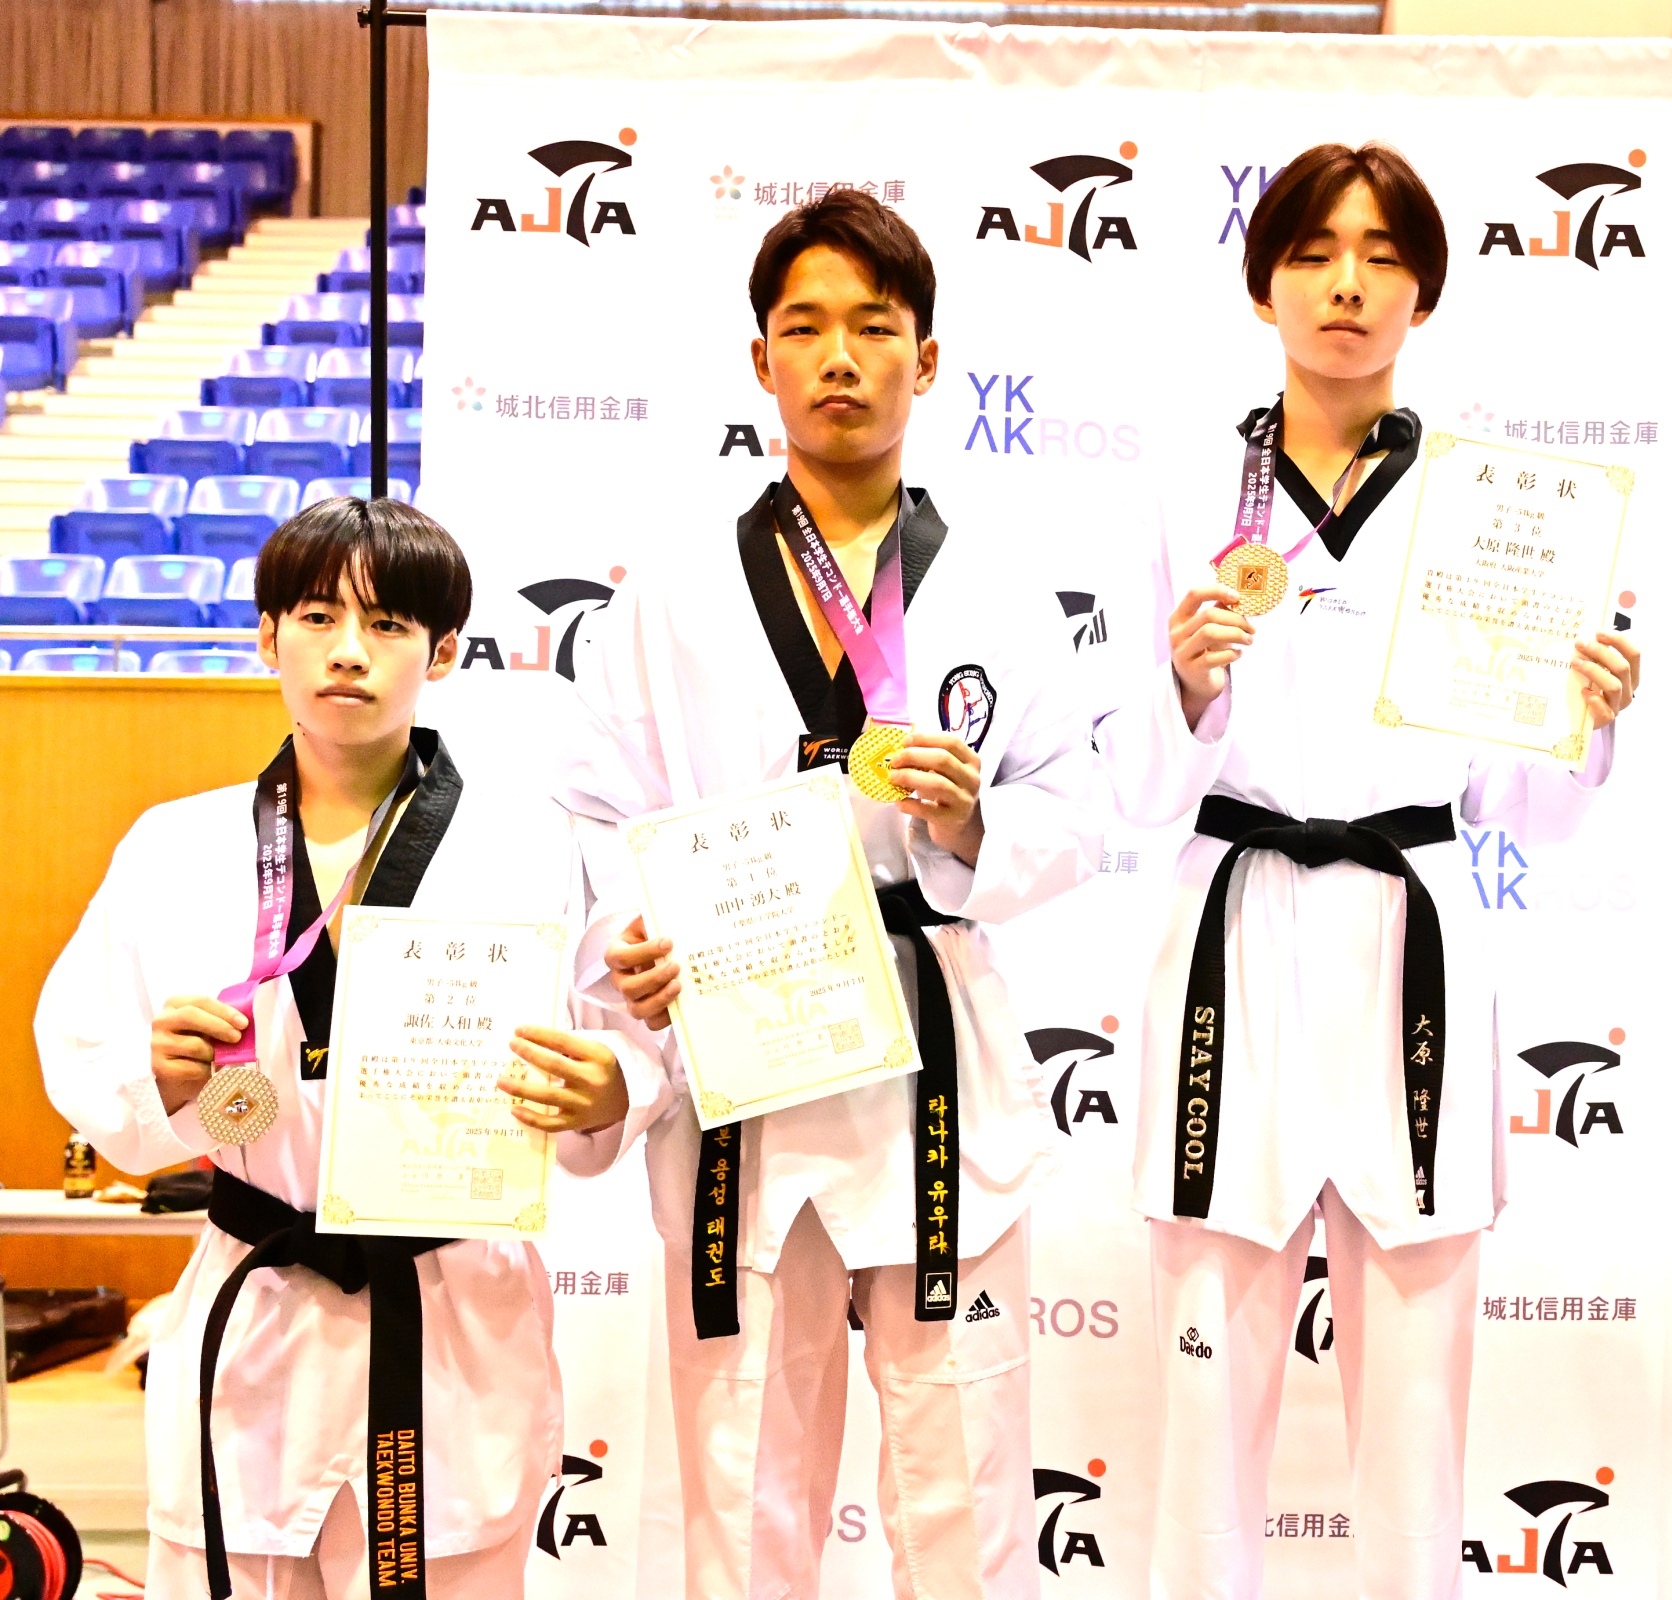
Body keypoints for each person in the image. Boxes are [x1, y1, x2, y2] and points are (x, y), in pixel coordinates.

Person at [1094, 142, 1640, 1600]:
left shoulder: (1497, 505)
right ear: (1262, 282)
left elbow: (1532, 812)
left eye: (1383, 257)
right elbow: (1136, 788)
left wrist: (1585, 717)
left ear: (1425, 294)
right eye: (1315, 253)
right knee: (1205, 1418)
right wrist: (1183, 683)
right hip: (1233, 931)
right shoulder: (1186, 487)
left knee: (1413, 1422)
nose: (1347, 284)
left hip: (1415, 942)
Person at [560, 189, 1096, 1600]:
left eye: (874, 326)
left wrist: (973, 818)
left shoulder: (1006, 587)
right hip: (742, 1062)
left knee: (966, 1491)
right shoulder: (670, 593)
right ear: (761, 362)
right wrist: (633, 936)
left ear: (929, 359)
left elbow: (1077, 814)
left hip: (933, 1058)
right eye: (805, 328)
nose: (840, 357)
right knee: (743, 1497)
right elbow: (597, 815)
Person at [37, 497, 653, 1600]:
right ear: (266, 637)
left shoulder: (535, 842)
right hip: (258, 1303)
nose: (350, 652)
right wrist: (154, 1078)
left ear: (446, 652)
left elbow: (622, 1041)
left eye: (389, 624)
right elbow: (85, 1046)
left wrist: (610, 1090)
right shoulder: (176, 845)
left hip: (450, 1307)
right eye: (318, 617)